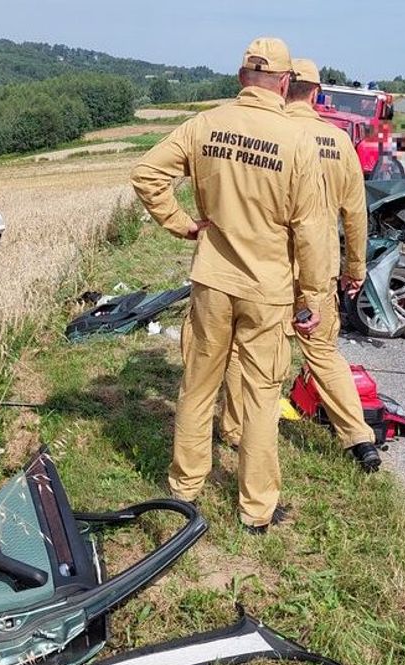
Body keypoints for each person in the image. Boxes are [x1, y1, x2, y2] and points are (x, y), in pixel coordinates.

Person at [130, 37, 329, 534]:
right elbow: (311, 229)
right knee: (262, 395)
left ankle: (184, 489)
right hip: (269, 289)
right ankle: (256, 509)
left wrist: (183, 223)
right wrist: (315, 296)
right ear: (284, 83)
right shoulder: (297, 140)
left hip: (212, 281)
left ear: (243, 78)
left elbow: (147, 174)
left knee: (197, 386)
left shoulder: (205, 124)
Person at [219, 58, 381, 475]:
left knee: (246, 348)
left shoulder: (269, 135)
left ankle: (235, 430)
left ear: (282, 86)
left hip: (266, 265)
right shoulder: (337, 141)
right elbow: (355, 214)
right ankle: (359, 439)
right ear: (316, 92)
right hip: (318, 267)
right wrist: (355, 268)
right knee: (324, 352)